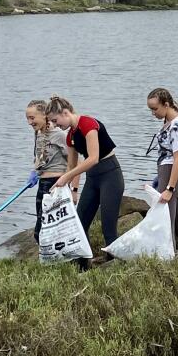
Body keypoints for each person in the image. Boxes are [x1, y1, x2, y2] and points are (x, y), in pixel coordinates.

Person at [47, 95, 125, 252]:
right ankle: (84, 265)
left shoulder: (87, 124)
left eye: (56, 121)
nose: (55, 125)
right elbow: (72, 166)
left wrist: (66, 177)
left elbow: (93, 158)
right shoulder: (70, 136)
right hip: (92, 179)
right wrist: (67, 188)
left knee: (108, 228)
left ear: (65, 113)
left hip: (110, 176)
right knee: (80, 224)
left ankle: (115, 265)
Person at [147, 88, 178, 253]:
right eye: (150, 109)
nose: (153, 113)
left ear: (166, 105)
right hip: (172, 177)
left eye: (155, 109)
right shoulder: (172, 119)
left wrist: (169, 189)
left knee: (166, 228)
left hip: (170, 179)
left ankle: (171, 266)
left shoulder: (176, 126)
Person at [26, 100, 69, 244]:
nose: (29, 122)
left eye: (32, 118)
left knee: (51, 226)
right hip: (42, 183)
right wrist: (34, 172)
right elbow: (38, 157)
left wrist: (72, 187)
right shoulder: (38, 133)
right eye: (27, 118)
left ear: (45, 116)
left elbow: (73, 160)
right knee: (40, 226)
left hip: (56, 184)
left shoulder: (59, 134)